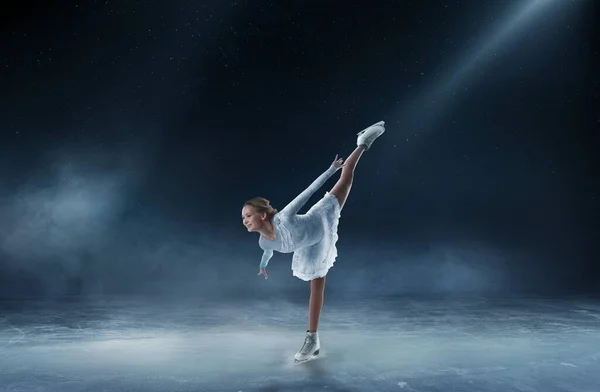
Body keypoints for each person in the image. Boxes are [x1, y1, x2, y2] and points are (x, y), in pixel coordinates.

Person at [241, 121, 385, 363]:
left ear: (262, 215)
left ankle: (361, 144)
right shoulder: (263, 243)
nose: (244, 221)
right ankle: (312, 339)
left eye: (247, 216)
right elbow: (267, 253)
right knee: (316, 286)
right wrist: (263, 266)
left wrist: (331, 170)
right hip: (311, 246)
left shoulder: (284, 217)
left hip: (319, 219)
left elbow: (308, 191)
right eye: (243, 218)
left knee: (346, 179)